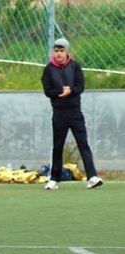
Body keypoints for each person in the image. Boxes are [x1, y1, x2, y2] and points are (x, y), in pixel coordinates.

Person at [40, 38, 103, 191]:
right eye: (56, 51)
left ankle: (92, 177)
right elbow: (48, 91)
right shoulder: (48, 69)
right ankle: (54, 179)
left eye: (62, 51)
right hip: (59, 114)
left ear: (67, 52)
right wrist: (60, 91)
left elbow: (80, 86)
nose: (59, 54)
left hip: (75, 113)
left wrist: (71, 90)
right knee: (58, 146)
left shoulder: (75, 67)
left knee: (83, 144)